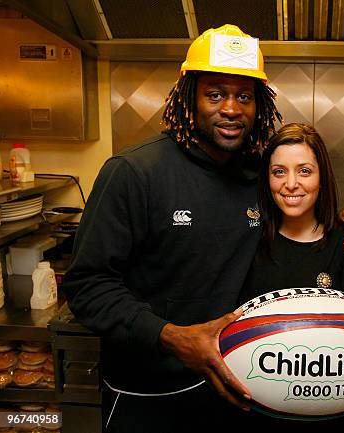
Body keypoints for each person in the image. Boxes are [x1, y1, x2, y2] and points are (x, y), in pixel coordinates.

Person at [62, 24, 283, 432]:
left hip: (234, 391)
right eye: (215, 93)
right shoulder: (133, 173)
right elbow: (87, 285)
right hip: (145, 395)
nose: (231, 108)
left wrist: (343, 220)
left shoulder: (257, 175)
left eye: (244, 96)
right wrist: (171, 336)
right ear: (189, 97)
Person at [240, 122, 344, 302]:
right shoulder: (250, 241)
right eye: (279, 172)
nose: (290, 184)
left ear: (321, 178)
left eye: (304, 171)